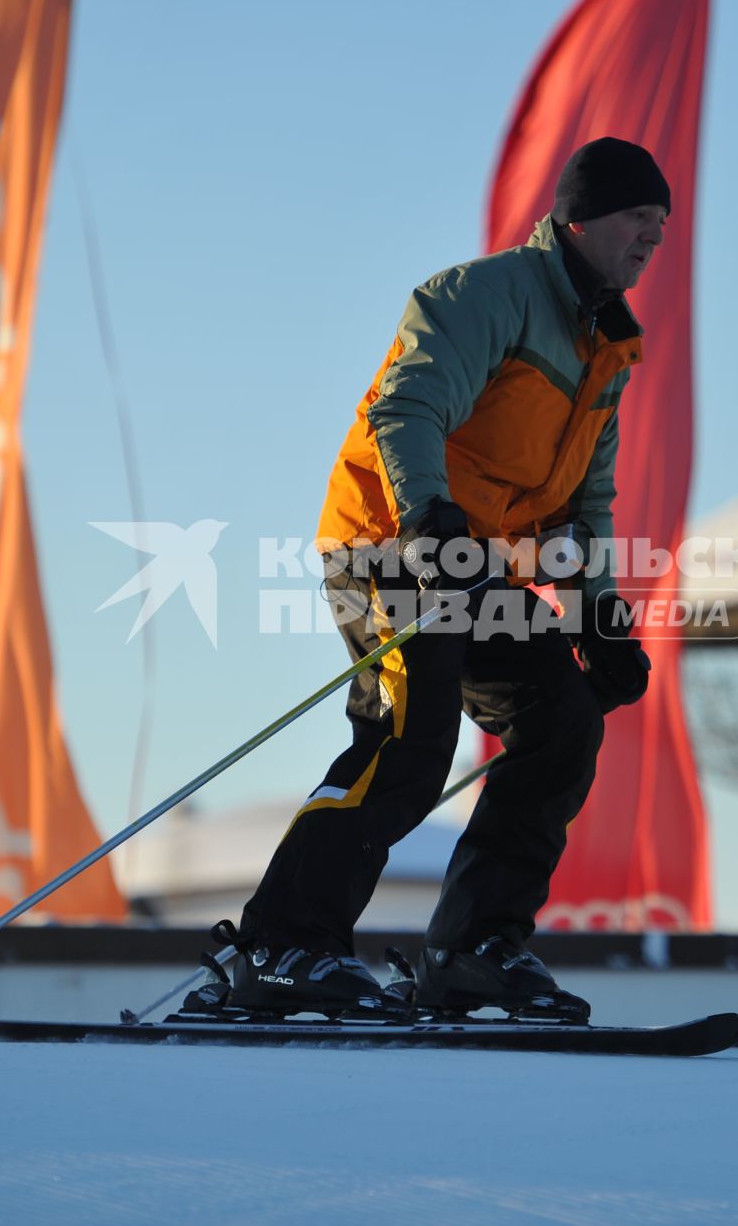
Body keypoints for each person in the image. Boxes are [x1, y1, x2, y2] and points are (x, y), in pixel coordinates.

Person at [207, 138, 667, 1023]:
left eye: (661, 223)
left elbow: (578, 508)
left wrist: (597, 615)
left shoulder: (605, 349)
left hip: (467, 559)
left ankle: (473, 949)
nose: (653, 236)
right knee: (412, 741)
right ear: (581, 218)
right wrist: (429, 518)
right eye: (637, 217)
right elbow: (407, 406)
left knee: (562, 718)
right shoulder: (485, 295)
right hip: (388, 542)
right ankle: (281, 945)